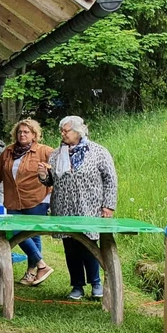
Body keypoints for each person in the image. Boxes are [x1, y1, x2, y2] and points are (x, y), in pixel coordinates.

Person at [38, 116, 118, 301]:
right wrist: (43, 175)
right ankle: (77, 286)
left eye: (66, 130)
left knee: (89, 244)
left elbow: (110, 179)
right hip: (63, 207)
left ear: (78, 131)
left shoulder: (98, 151)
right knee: (70, 247)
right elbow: (51, 181)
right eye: (61, 131)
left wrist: (108, 206)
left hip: (89, 207)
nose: (63, 134)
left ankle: (96, 283)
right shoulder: (56, 154)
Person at [0, 119, 55, 286]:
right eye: (20, 132)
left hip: (36, 198)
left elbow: (57, 169)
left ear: (34, 135)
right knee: (15, 230)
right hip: (13, 199)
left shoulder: (44, 151)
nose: (22, 134)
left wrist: (48, 173)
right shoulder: (8, 151)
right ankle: (41, 265)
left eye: (26, 132)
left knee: (32, 234)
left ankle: (31, 272)